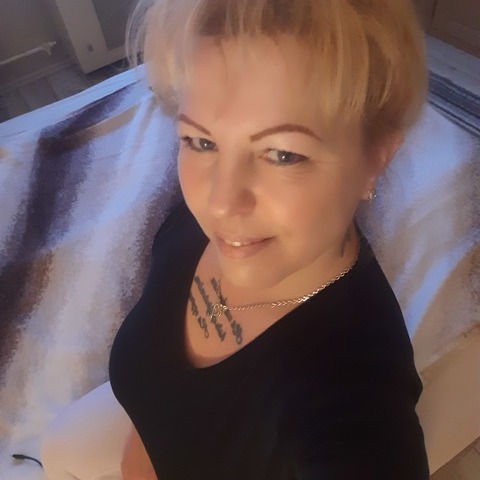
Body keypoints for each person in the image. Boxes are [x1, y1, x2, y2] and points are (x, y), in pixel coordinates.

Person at [41, 0, 430, 478]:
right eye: (201, 142)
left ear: (376, 158)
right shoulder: (195, 225)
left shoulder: (358, 407)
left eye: (283, 154)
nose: (220, 204)